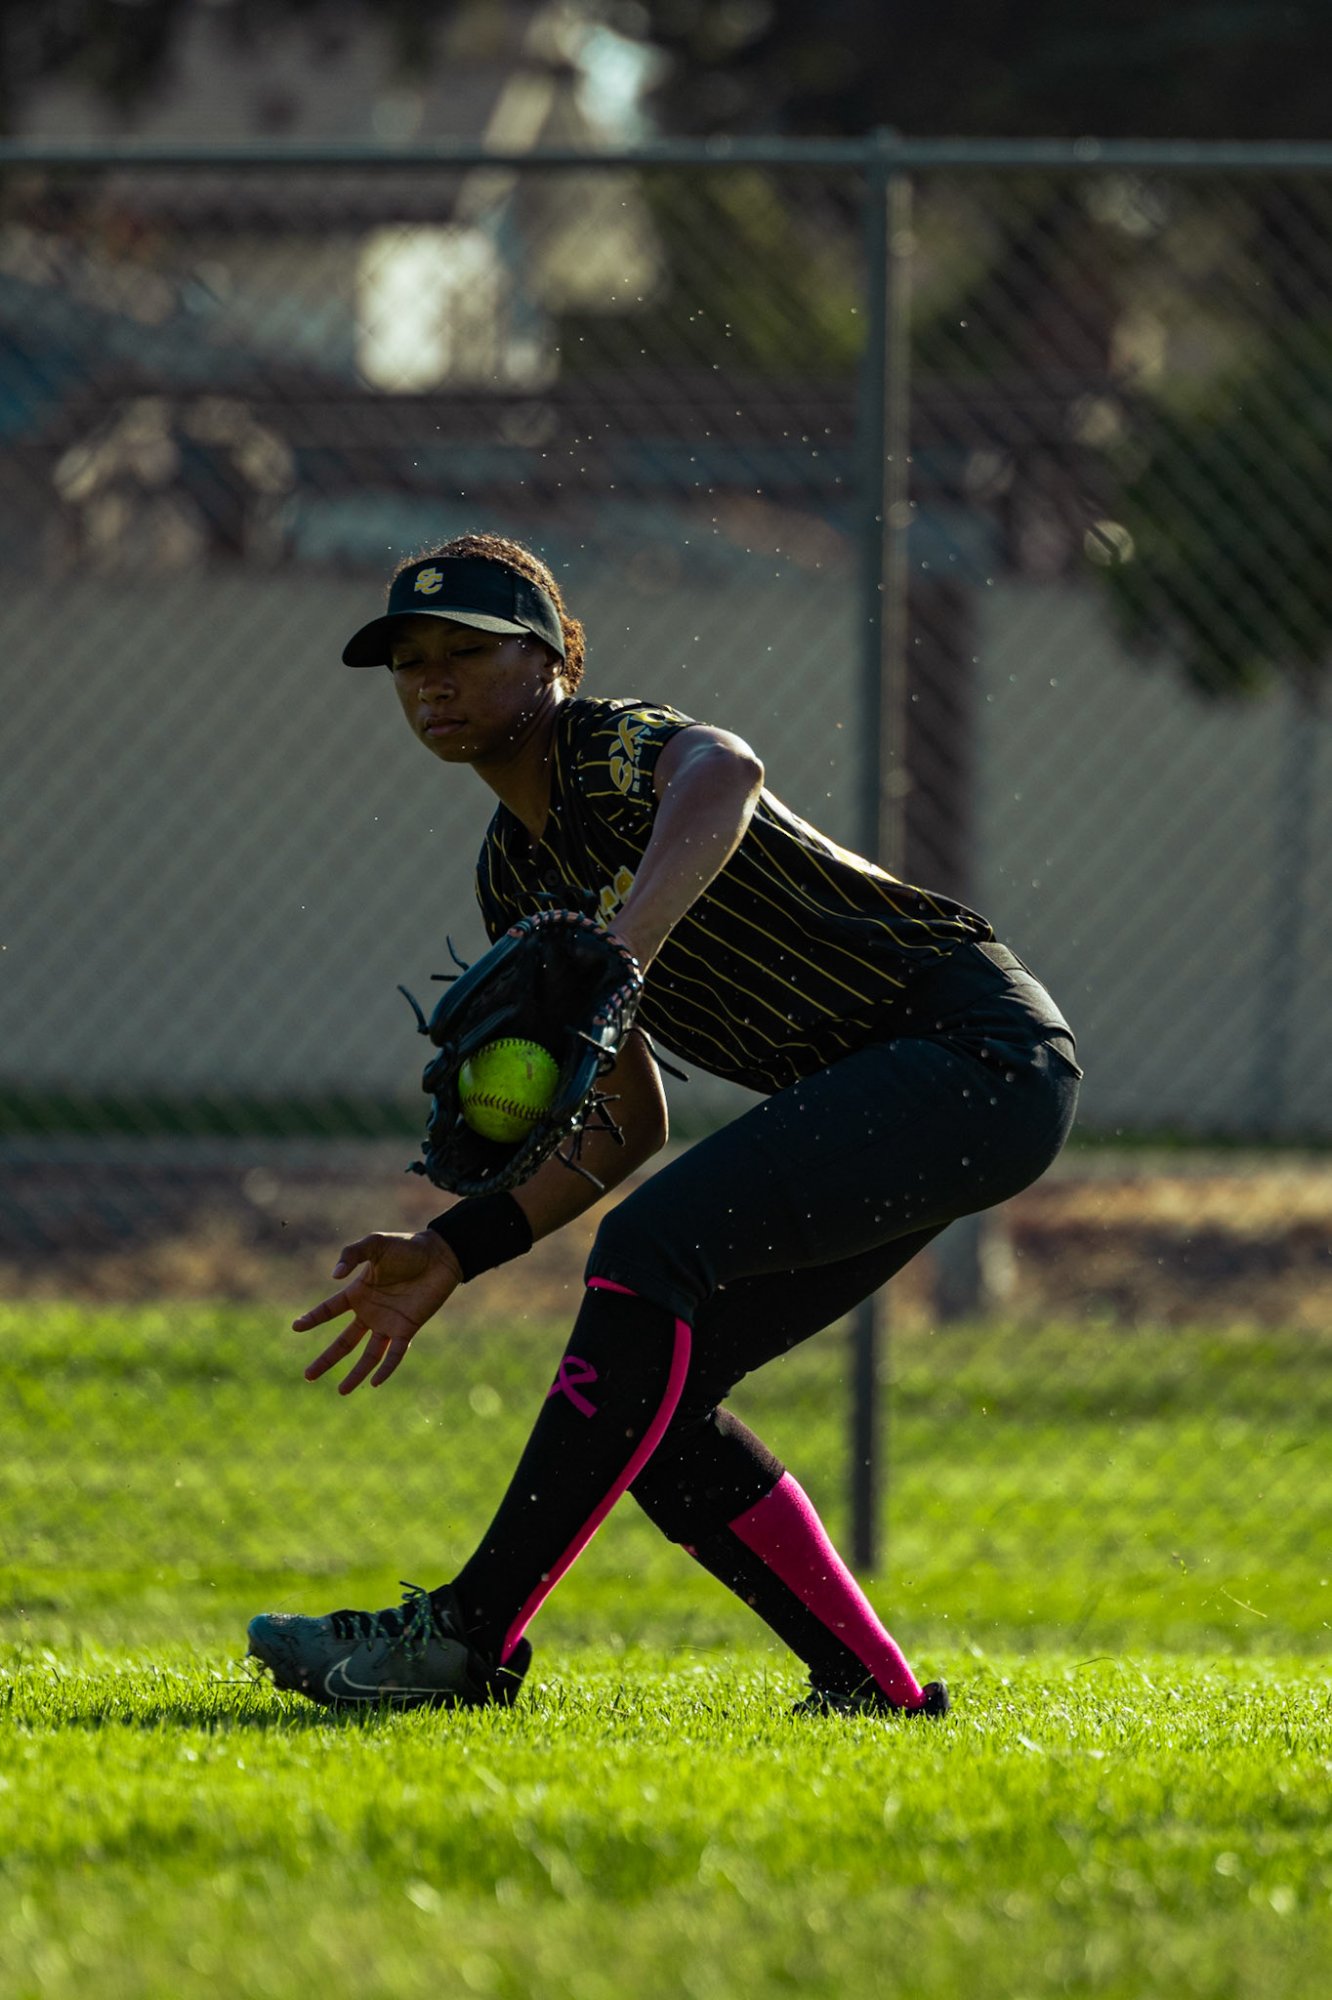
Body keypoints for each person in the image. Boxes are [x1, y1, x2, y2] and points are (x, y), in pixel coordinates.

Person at [247, 532, 1081, 1717]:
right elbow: (628, 1121)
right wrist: (456, 1245)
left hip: (977, 1053)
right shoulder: (513, 874)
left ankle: (468, 1632)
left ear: (550, 661)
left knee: (649, 1256)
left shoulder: (600, 749)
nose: (431, 678)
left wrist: (621, 949)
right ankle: (873, 1688)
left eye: (467, 651)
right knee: (658, 1398)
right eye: (409, 659)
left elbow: (725, 770)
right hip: (900, 1095)